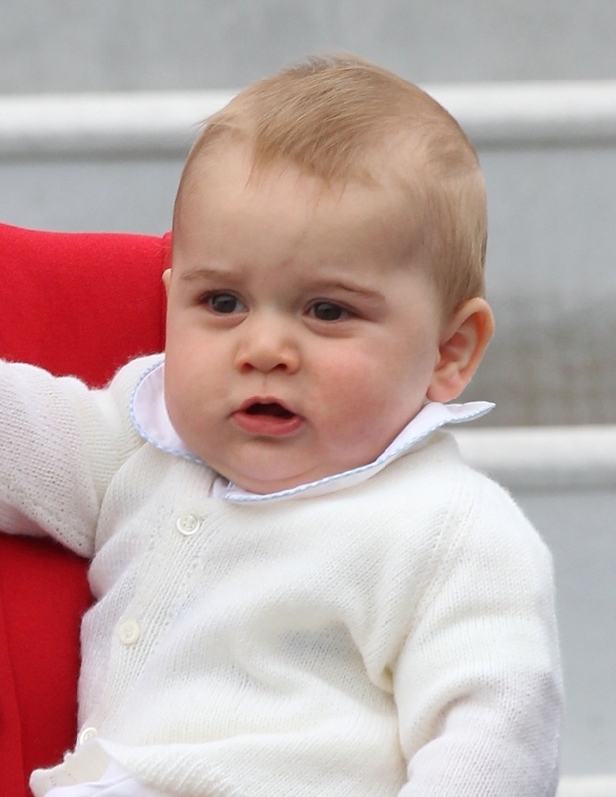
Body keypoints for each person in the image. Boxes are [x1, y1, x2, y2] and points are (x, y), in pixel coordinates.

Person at [0, 54, 561, 797]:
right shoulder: (148, 433)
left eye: (327, 310)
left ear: (448, 352)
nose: (262, 348)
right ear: (171, 307)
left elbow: (496, 729)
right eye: (223, 303)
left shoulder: (451, 526)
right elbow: (25, 439)